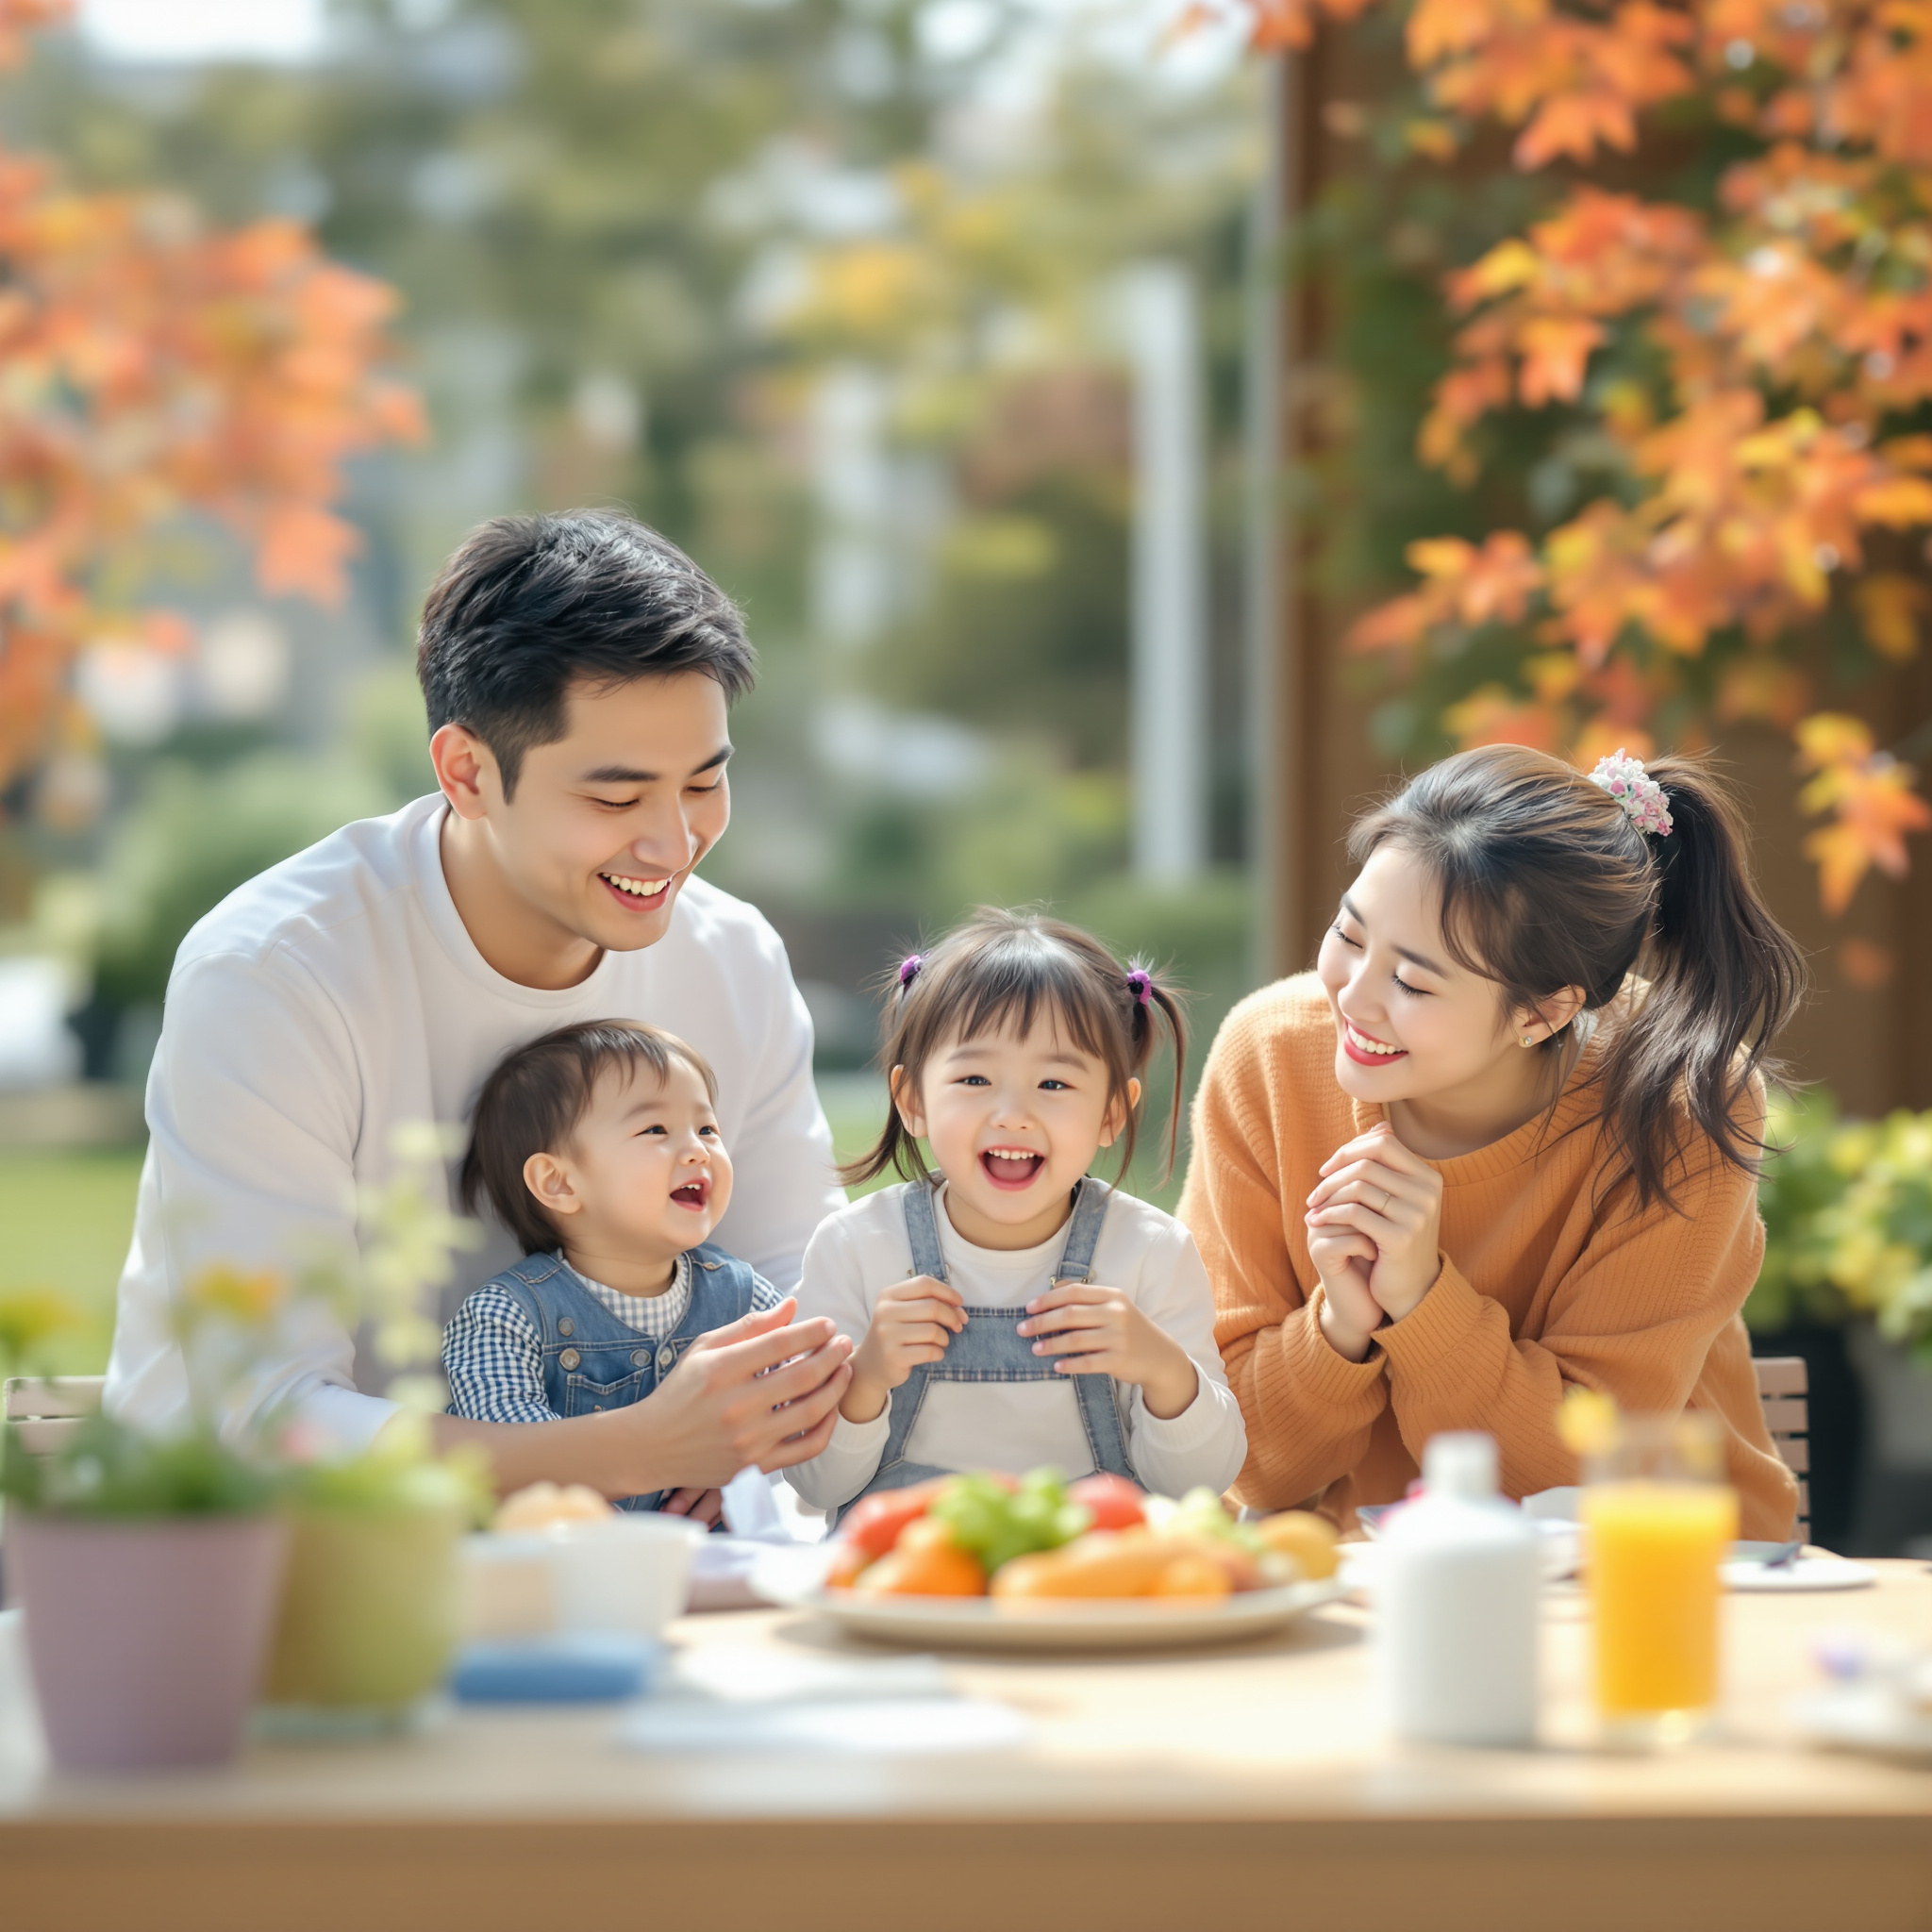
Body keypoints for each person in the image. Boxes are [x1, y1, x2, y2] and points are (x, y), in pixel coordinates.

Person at [105, 510, 854, 1503]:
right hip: (267, 1575)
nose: (673, 844)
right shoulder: (277, 974)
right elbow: (263, 1410)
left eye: (704, 783)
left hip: (639, 1566)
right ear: (466, 771)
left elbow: (802, 1302)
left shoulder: (730, 957)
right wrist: (630, 1452)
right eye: (616, 799)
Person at [1180, 745, 1806, 1541]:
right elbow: (1250, 1463)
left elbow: (1577, 1476)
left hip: (1650, 1575)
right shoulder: (1269, 1055)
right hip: (1352, 1589)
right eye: (1348, 932)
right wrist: (1340, 1321)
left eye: (1412, 983)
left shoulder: (1682, 1103)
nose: (1353, 996)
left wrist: (1420, 1300)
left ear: (1541, 1013)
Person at [787, 909, 1246, 1519]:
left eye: (1053, 1085)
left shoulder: (1151, 1252)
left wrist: (1164, 1371)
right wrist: (866, 1377)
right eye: (975, 1078)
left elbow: (1199, 1486)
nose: (1012, 1114)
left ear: (1114, 1112)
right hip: (908, 1581)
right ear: (913, 1101)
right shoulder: (855, 1247)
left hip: (1084, 1582)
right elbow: (815, 1485)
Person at [443, 1020, 781, 1521]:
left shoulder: (744, 1298)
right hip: (559, 1572)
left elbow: (797, 1404)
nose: (698, 1149)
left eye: (707, 1128)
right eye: (655, 1130)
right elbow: (512, 1456)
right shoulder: (505, 1317)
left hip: (705, 1569)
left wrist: (754, 1462)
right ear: (558, 1182)